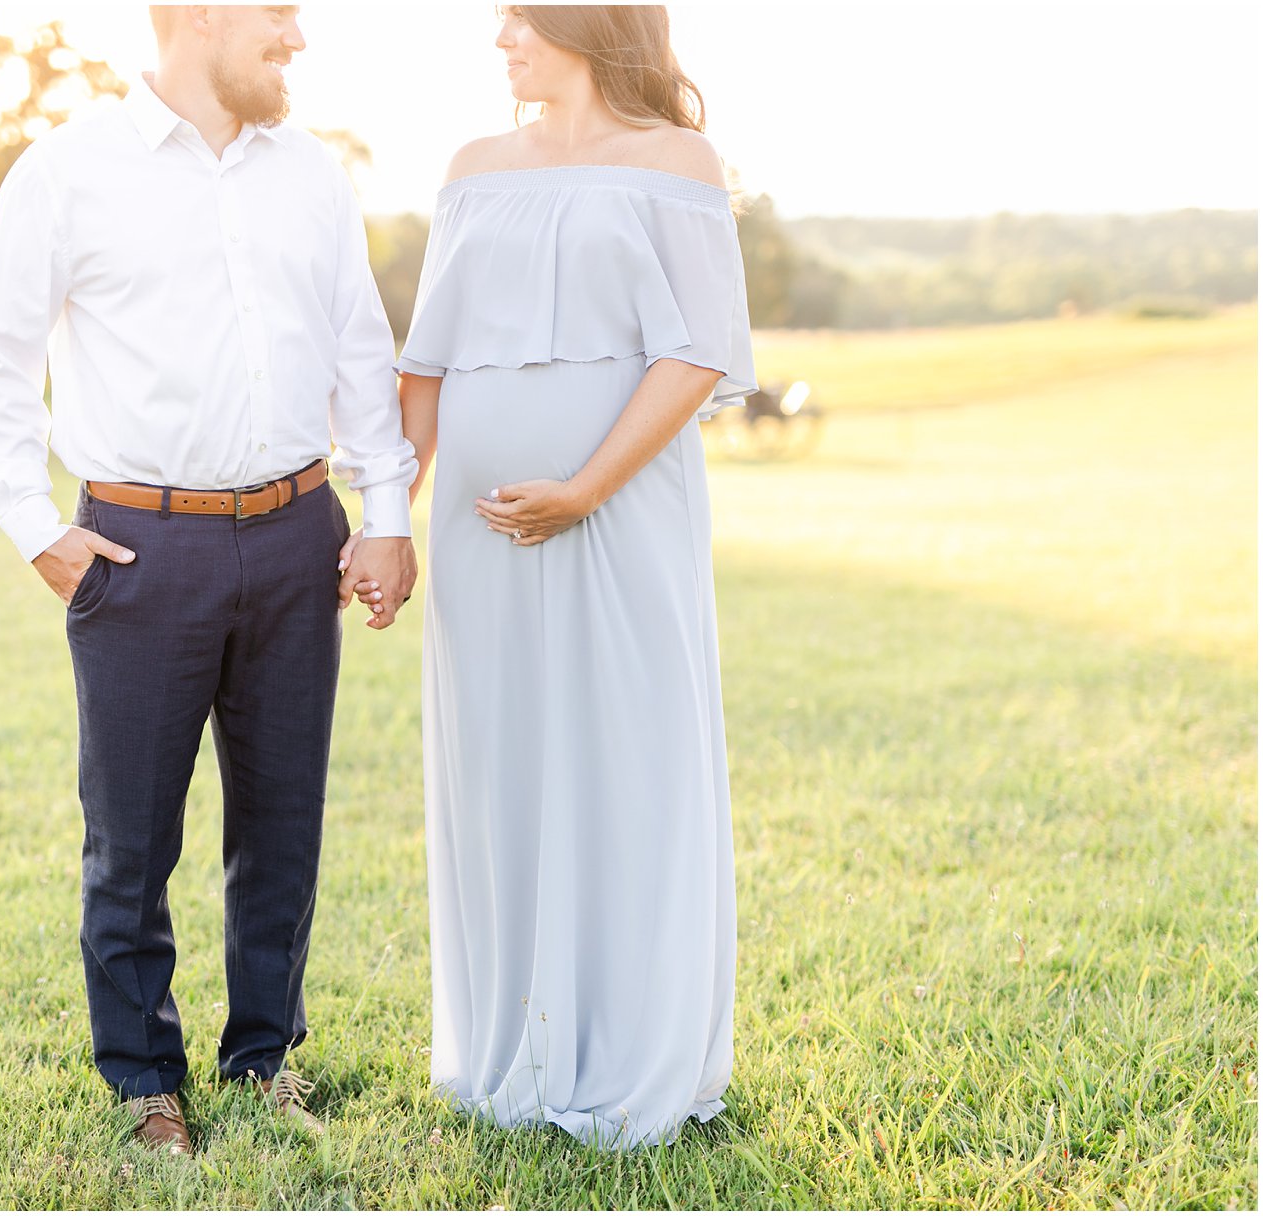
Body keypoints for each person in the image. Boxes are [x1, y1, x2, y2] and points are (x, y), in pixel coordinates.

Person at [0, 4, 418, 1157]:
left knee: (283, 825)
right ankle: (143, 1077)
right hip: (139, 551)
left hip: (301, 529)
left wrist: (386, 514)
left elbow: (361, 352)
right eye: (280, 18)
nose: (299, 42)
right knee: (131, 835)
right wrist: (35, 527)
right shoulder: (64, 172)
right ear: (202, 15)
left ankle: (264, 1056)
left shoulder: (312, 174)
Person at [370, 3, 756, 1148]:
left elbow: (697, 351)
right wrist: (385, 518)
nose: (499, 47)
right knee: (502, 771)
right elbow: (426, 363)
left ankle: (633, 1049)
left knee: (628, 755)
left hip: (625, 518)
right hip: (479, 541)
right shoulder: (473, 170)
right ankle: (515, 1050)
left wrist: (587, 487)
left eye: (518, 24)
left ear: (587, 24)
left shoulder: (676, 163)